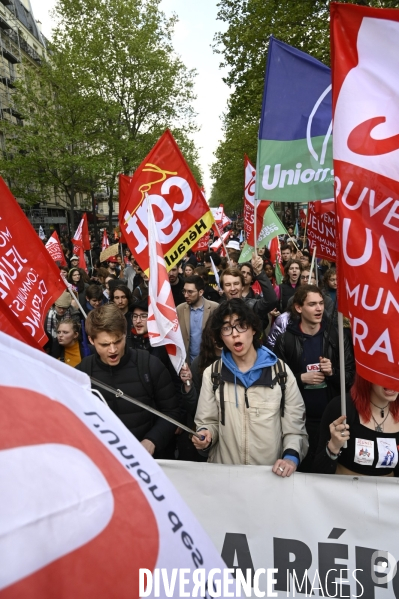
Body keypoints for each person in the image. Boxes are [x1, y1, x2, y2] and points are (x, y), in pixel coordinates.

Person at [192, 300, 308, 472]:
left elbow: (295, 428)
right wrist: (206, 434)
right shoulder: (213, 374)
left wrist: (290, 457)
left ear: (254, 329)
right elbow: (207, 421)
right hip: (226, 475)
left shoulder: (281, 373)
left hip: (270, 475)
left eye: (241, 326)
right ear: (220, 337)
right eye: (226, 328)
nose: (235, 334)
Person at [76, 304, 180, 457]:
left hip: (149, 461)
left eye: (117, 341)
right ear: (91, 340)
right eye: (105, 344)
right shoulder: (81, 374)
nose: (113, 350)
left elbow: (172, 411)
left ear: (125, 334)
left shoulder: (149, 365)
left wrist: (152, 440)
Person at [274, 284, 355, 472]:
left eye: (320, 303)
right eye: (312, 304)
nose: (319, 308)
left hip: (333, 422)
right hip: (298, 423)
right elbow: (275, 381)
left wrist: (333, 372)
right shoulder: (285, 340)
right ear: (299, 308)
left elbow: (351, 378)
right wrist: (300, 378)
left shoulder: (337, 336)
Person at [313, 374, 399, 477]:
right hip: (344, 490)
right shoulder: (342, 408)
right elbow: (317, 472)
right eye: (384, 373)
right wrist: (333, 447)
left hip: (387, 491)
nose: (392, 380)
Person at [220, 254, 277, 329]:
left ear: (242, 286)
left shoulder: (251, 306)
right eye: (228, 285)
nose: (233, 288)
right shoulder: (218, 311)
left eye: (236, 283)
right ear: (223, 288)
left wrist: (259, 272)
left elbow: (271, 300)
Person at [176, 275, 219, 364]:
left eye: (190, 292)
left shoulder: (214, 308)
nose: (186, 295)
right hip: (187, 362)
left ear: (200, 292)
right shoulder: (179, 309)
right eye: (184, 291)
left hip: (209, 361)